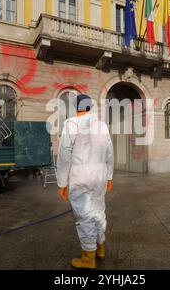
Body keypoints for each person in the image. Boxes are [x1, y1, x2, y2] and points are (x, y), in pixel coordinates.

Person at [57, 94, 114, 269]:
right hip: (100, 176)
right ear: (90, 107)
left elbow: (64, 155)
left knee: (85, 216)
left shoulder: (71, 124)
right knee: (98, 211)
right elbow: (110, 153)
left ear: (76, 107)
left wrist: (62, 182)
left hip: (80, 176)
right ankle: (100, 248)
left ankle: (88, 258)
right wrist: (109, 176)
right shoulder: (102, 126)